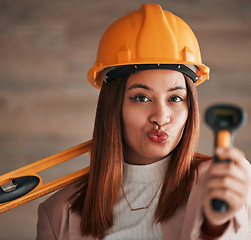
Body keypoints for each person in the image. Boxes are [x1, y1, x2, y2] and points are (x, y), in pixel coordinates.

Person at [36, 4, 251, 240]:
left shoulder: (224, 182)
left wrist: (216, 224)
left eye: (175, 98)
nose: (160, 117)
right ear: (113, 105)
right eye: (141, 97)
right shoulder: (58, 212)